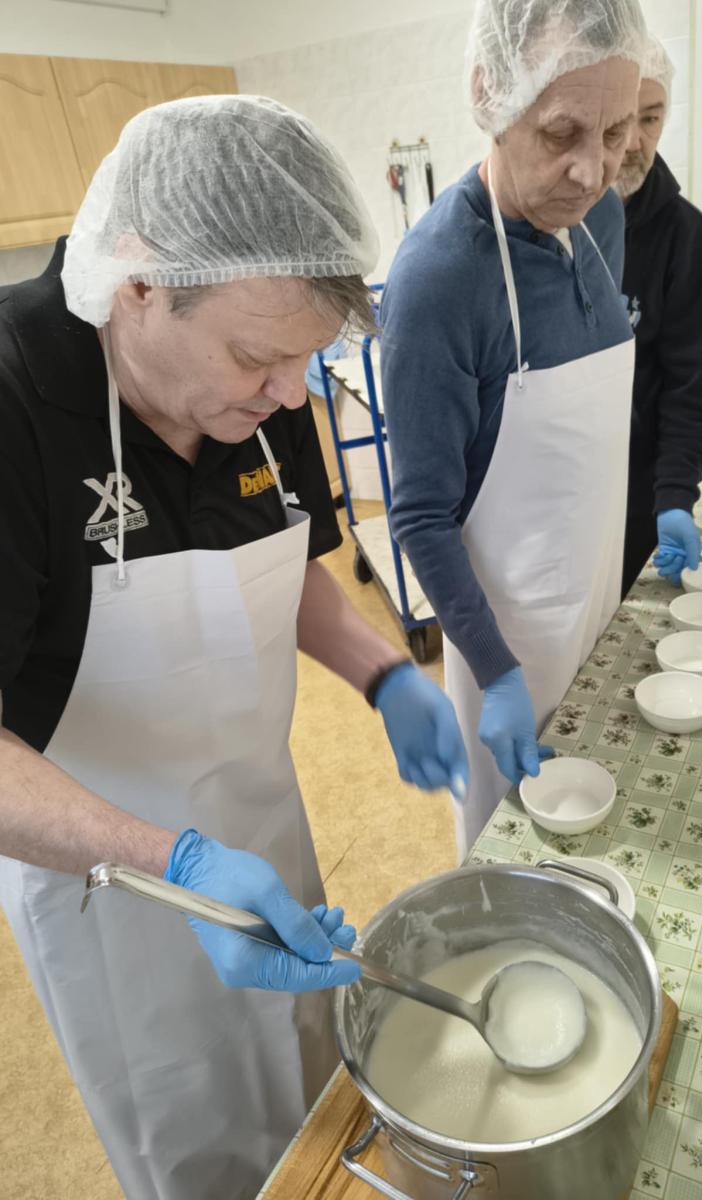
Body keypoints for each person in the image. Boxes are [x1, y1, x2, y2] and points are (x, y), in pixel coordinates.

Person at [0, 96, 467, 1200]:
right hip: (109, 887)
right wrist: (177, 864)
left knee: (308, 1087)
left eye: (305, 360)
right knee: (196, 1142)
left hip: (261, 822)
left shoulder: (267, 380)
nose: (290, 394)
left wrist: (384, 672)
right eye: (259, 358)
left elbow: (280, 561)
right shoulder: (15, 400)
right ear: (140, 285)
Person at [380, 0, 646, 858]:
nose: (591, 170)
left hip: (598, 606)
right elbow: (421, 515)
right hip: (508, 649)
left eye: (616, 134)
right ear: (490, 97)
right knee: (523, 871)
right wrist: (496, 674)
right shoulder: (438, 279)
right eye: (561, 132)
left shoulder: (600, 222)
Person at [616, 36, 702, 595]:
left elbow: (691, 384)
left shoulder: (683, 233)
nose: (635, 142)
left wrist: (675, 495)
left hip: (643, 494)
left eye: (651, 118)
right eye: (621, 119)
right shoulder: (549, 229)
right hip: (551, 503)